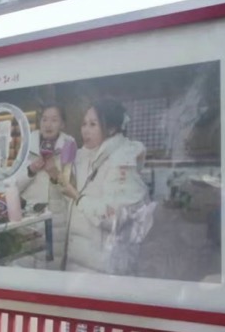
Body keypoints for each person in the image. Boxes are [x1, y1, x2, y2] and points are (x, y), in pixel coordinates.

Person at [49, 98, 155, 275]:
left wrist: (78, 197)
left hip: (103, 270)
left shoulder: (121, 162)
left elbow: (116, 217)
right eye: (84, 124)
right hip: (78, 264)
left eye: (93, 124)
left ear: (111, 129)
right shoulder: (83, 156)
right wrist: (56, 175)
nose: (85, 130)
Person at [15, 104, 77, 259]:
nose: (48, 125)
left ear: (62, 124)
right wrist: (31, 170)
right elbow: (14, 186)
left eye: (54, 120)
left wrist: (55, 173)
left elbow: (72, 193)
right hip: (27, 217)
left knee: (51, 264)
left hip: (55, 219)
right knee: (26, 262)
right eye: (44, 119)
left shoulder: (69, 146)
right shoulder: (28, 143)